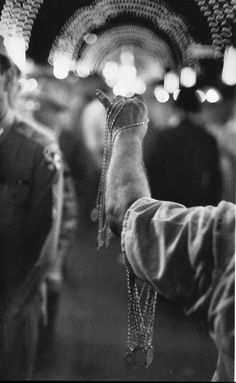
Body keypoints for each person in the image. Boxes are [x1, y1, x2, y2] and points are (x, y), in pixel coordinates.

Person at [95, 89, 235, 382]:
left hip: (176, 217)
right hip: (199, 206)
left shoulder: (225, 235)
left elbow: (127, 210)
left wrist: (128, 133)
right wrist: (209, 205)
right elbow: (215, 180)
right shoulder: (208, 139)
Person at [0, 52, 64, 380]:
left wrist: (14, 310)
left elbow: (45, 241)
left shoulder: (39, 147)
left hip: (15, 298)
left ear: (9, 83)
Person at [145, 87, 222, 207]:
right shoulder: (207, 138)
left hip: (168, 203)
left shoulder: (165, 136)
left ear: (177, 108)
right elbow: (215, 178)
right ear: (197, 109)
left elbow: (152, 170)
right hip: (197, 204)